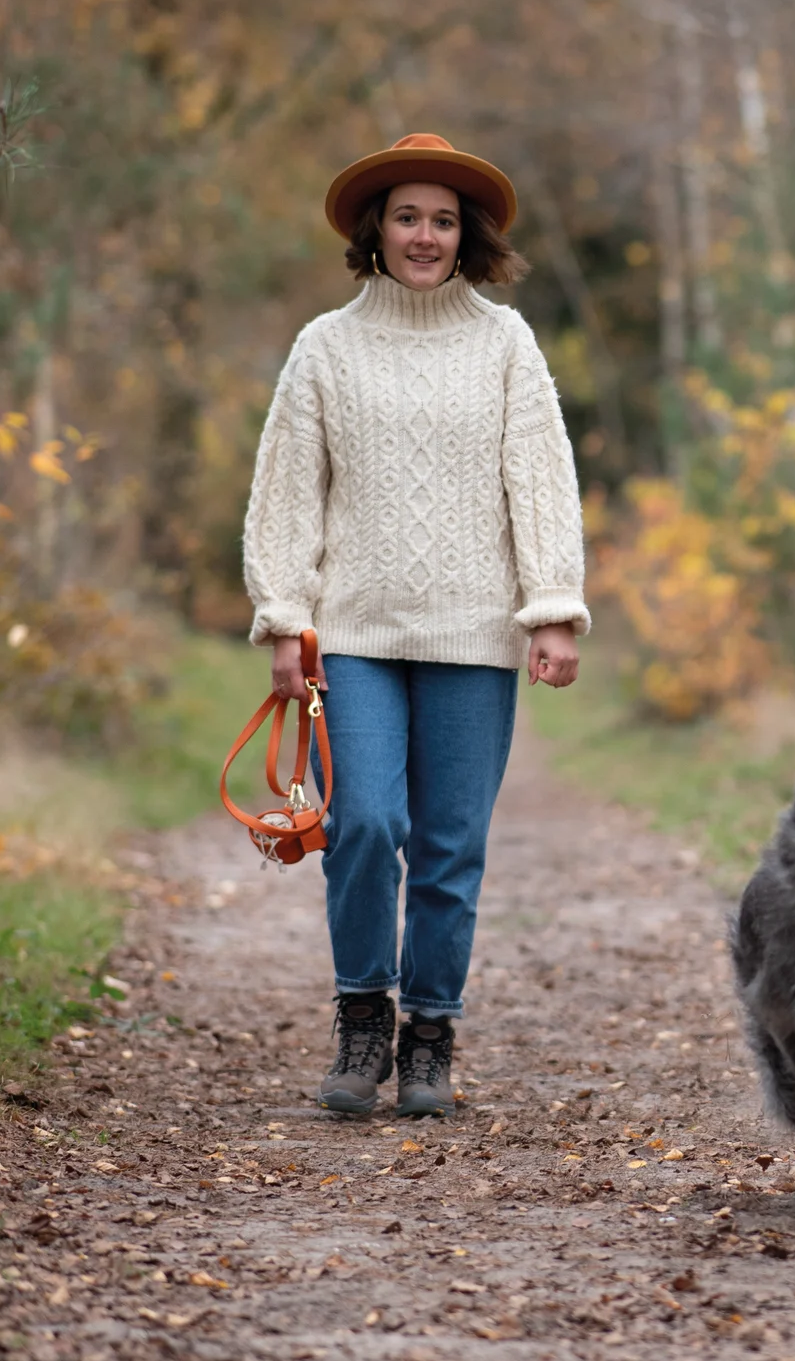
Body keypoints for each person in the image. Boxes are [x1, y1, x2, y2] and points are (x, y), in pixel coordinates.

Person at [240, 132, 588, 1117]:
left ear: (463, 233)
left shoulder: (505, 342)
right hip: (351, 633)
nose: (424, 236)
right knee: (363, 822)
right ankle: (363, 1021)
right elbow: (287, 494)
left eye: (441, 219)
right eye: (406, 217)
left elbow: (542, 481)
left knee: (448, 844)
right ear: (375, 231)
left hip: (475, 637)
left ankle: (430, 1035)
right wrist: (283, 619)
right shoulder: (324, 347)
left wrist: (551, 609)